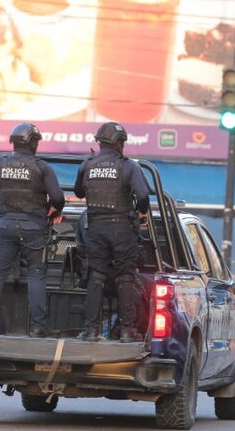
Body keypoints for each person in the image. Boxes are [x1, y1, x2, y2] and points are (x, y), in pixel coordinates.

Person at [0, 122, 65, 337]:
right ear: (33, 142)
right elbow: (58, 198)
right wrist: (55, 210)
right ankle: (38, 327)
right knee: (36, 275)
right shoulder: (42, 168)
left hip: (5, 226)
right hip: (33, 227)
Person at [73, 121, 150, 342]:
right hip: (122, 228)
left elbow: (78, 192)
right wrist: (141, 213)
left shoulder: (87, 164)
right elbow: (143, 195)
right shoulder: (129, 166)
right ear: (119, 143)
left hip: (95, 227)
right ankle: (126, 331)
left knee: (95, 277)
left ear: (99, 142)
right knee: (125, 277)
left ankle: (91, 331)